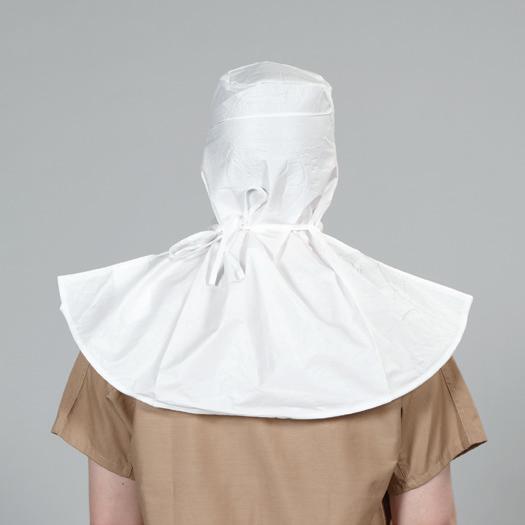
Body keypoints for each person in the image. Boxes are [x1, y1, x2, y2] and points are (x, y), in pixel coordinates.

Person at [50, 61, 487, 524]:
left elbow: (111, 519)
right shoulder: (408, 342)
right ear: (323, 163)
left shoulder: (122, 334)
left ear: (216, 160)